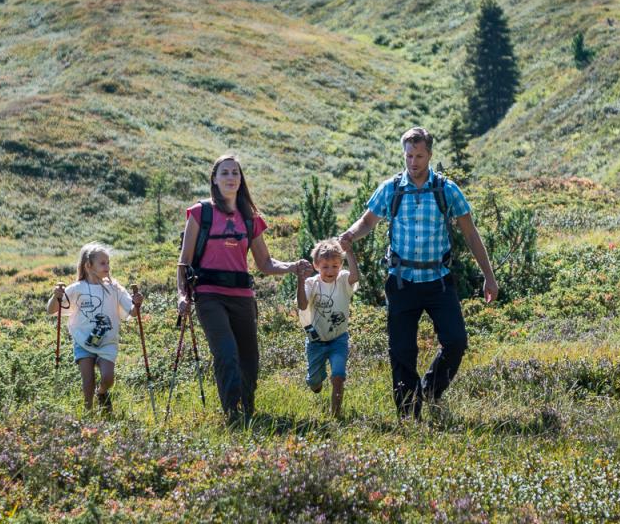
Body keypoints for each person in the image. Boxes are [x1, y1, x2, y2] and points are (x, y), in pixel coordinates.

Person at [340, 127, 498, 420]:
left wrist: (489, 276)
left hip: (438, 281)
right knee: (401, 351)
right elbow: (368, 221)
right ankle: (408, 416)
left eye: (419, 156)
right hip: (401, 283)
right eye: (409, 155)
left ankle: (430, 389)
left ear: (430, 155)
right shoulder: (391, 188)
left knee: (456, 342)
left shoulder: (446, 189)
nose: (413, 162)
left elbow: (471, 234)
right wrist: (350, 234)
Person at [177, 154, 312, 425]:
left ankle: (248, 409)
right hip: (209, 295)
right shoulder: (200, 213)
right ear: (214, 179)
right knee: (226, 352)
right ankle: (232, 414)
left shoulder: (250, 218)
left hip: (242, 296)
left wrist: (292, 267)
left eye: (235, 173)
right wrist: (182, 295)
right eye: (225, 173)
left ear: (241, 179)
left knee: (249, 357)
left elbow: (265, 262)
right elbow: (184, 261)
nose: (230, 178)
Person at [48, 242, 144, 413]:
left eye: (108, 262)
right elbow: (52, 310)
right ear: (88, 266)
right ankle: (88, 414)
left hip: (107, 341)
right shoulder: (77, 288)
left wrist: (137, 304)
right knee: (88, 380)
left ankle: (102, 392)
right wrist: (56, 297)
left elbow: (131, 311)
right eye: (102, 263)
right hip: (83, 340)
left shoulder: (114, 288)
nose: (107, 266)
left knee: (108, 378)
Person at [297, 237, 359, 418]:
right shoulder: (311, 284)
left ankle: (336, 416)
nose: (330, 270)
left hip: (339, 339)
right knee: (314, 382)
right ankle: (317, 382)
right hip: (316, 340)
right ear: (316, 265)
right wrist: (300, 281)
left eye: (335, 266)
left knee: (338, 376)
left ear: (340, 265)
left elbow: (355, 277)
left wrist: (350, 252)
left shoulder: (343, 280)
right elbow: (302, 305)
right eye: (325, 266)